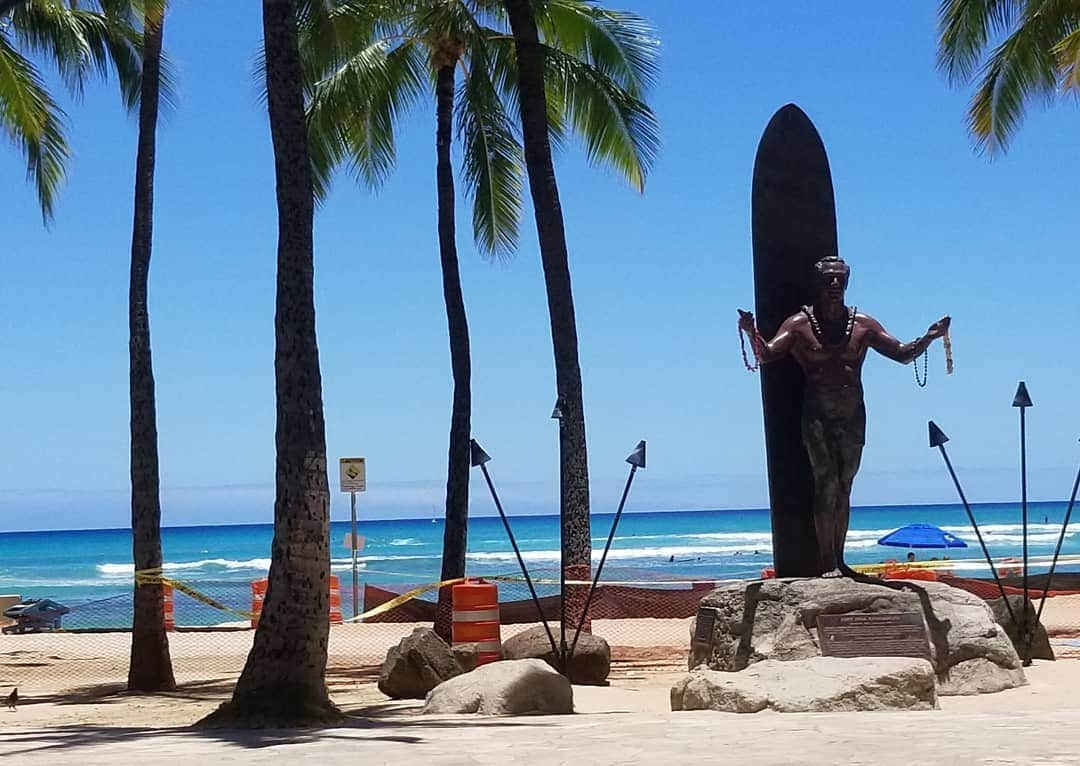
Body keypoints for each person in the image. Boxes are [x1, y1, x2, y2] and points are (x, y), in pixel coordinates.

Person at [739, 255, 950, 577]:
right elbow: (767, 354)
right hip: (818, 415)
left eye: (840, 279)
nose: (835, 284)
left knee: (845, 486)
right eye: (829, 279)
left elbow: (902, 353)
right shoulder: (799, 324)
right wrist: (750, 330)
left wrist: (930, 336)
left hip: (853, 413)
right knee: (825, 484)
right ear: (818, 283)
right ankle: (827, 564)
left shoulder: (863, 324)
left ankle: (840, 560)